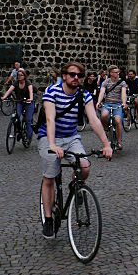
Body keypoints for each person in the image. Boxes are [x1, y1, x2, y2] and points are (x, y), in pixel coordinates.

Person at [38, 61, 112, 239]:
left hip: (71, 138)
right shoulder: (52, 92)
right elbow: (50, 119)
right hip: (49, 137)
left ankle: (75, 185)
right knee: (49, 176)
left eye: (79, 76)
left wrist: (106, 144)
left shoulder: (84, 94)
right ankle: (48, 219)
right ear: (64, 76)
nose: (76, 78)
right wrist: (52, 145)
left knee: (84, 167)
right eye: (72, 74)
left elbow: (93, 120)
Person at [97, 65, 127, 151]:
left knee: (118, 121)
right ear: (111, 73)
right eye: (116, 72)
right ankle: (106, 129)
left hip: (117, 104)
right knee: (103, 116)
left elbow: (123, 94)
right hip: (107, 103)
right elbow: (102, 92)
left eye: (118, 72)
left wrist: (124, 103)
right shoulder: (106, 82)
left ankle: (118, 142)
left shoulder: (122, 82)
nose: (118, 73)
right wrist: (99, 102)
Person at [1, 68, 34, 139]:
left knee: (28, 119)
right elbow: (9, 90)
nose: (19, 76)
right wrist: (4, 97)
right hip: (19, 102)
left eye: (21, 75)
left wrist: (30, 99)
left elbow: (31, 91)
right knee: (16, 116)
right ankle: (18, 131)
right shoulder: (16, 83)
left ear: (24, 76)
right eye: (18, 75)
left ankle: (29, 134)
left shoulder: (28, 82)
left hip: (28, 102)